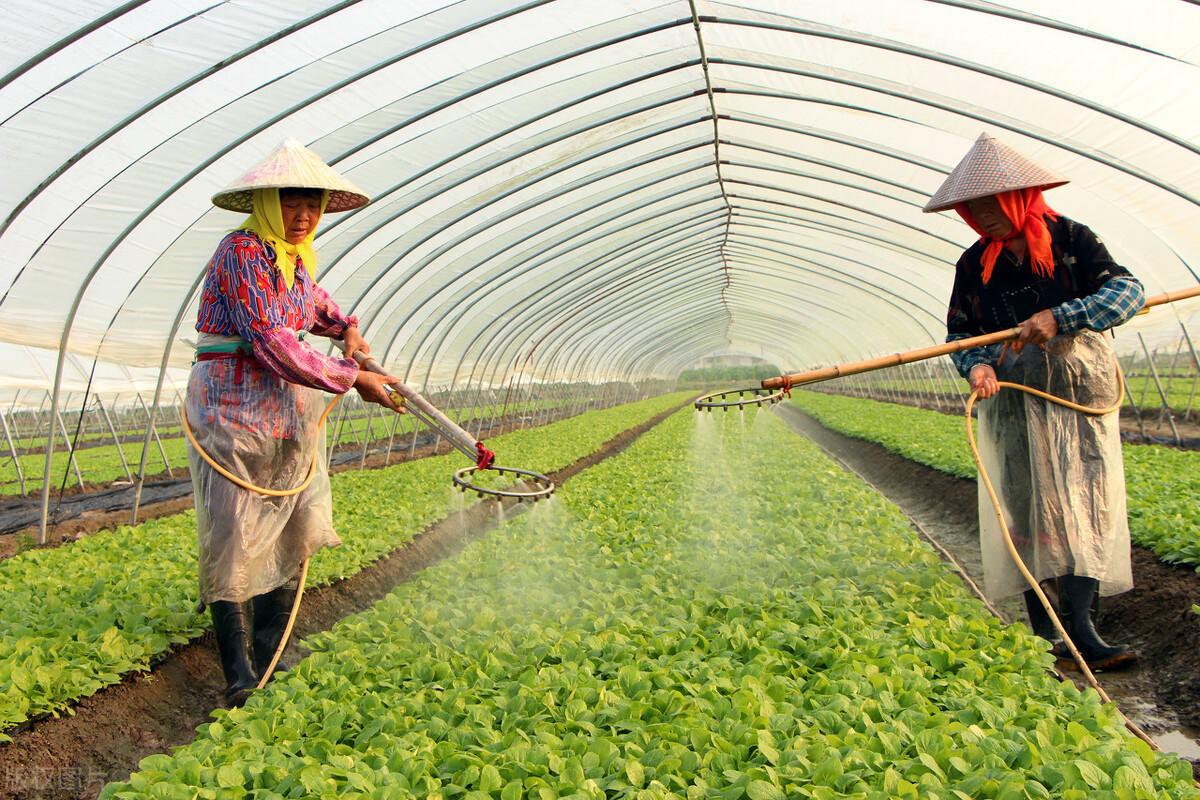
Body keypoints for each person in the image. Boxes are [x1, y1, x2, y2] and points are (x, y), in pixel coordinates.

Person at [189, 138, 401, 705]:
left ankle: (271, 654)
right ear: (265, 203)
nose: (304, 215)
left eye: (313, 204)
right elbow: (272, 340)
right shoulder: (242, 253)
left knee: (288, 519)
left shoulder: (295, 261)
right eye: (291, 202)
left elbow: (319, 310)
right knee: (233, 527)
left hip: (283, 406)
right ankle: (238, 674)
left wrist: (348, 332)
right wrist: (354, 378)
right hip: (232, 407)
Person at [925, 133, 1144, 671]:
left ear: (1018, 198)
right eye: (972, 209)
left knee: (1083, 504)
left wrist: (1061, 317)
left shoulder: (1072, 240)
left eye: (990, 206)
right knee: (1026, 507)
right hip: (1016, 401)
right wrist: (975, 365)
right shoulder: (975, 264)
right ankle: (1046, 630)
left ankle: (1084, 629)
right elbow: (961, 333)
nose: (982, 217)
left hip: (1078, 396)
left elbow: (1128, 292)